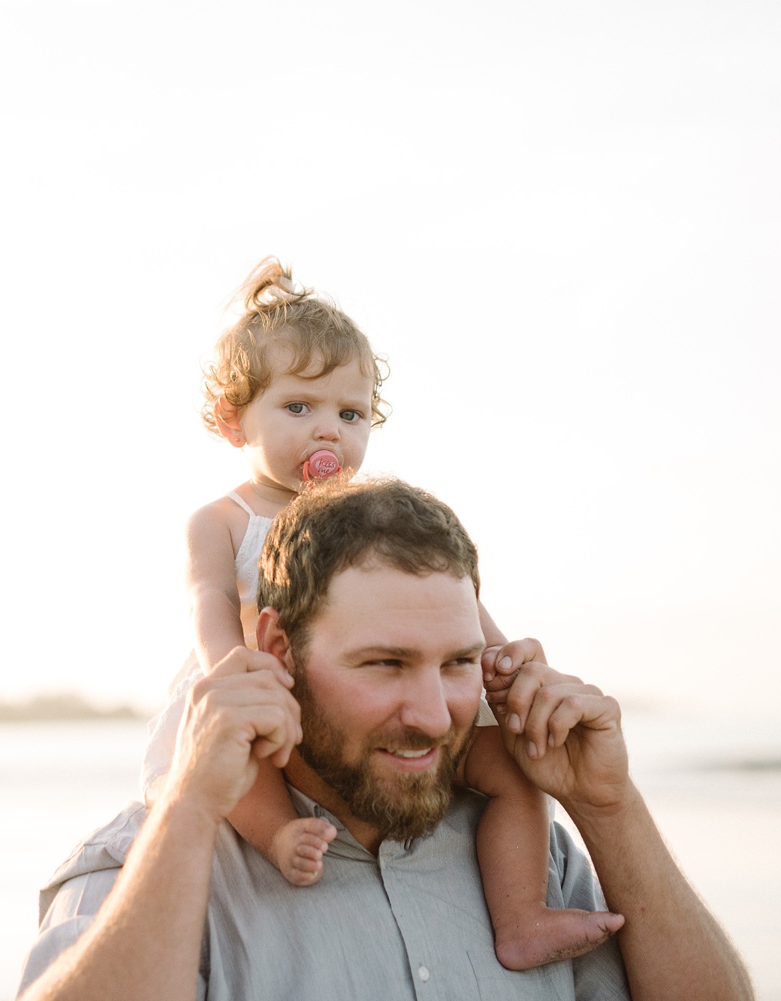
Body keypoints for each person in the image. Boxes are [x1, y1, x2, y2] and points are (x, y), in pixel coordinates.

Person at [18, 477, 753, 1001]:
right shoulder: (142, 868)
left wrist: (610, 805)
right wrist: (186, 812)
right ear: (275, 647)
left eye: (459, 661)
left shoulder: (535, 860)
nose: (434, 715)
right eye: (385, 663)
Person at [141, 257, 618, 969]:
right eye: (299, 407)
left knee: (513, 771)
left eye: (350, 413)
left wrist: (503, 654)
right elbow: (207, 596)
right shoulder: (224, 519)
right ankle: (275, 836)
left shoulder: (377, 516)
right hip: (266, 689)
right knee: (246, 761)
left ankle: (522, 912)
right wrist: (227, 665)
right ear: (232, 418)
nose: (327, 431)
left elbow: (449, 600)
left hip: (369, 706)